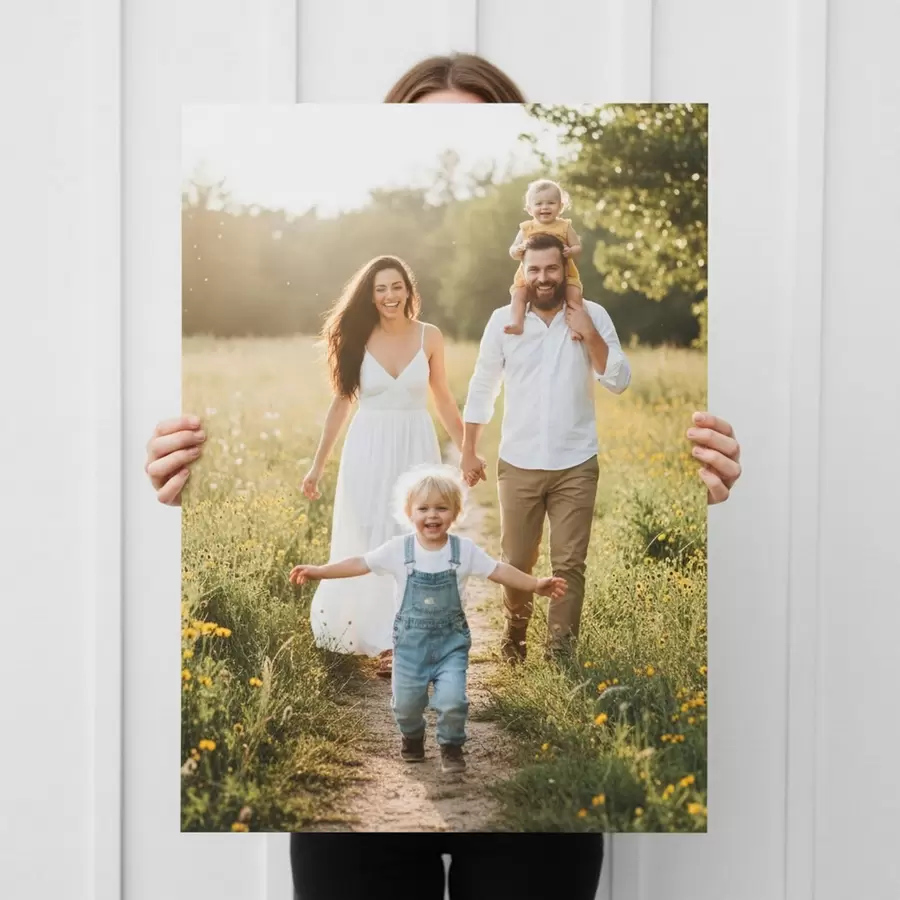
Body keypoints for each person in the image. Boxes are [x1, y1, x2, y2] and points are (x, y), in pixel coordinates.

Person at [146, 51, 741, 900]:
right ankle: (433, 644)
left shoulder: (565, 314)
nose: (390, 293)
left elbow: (569, 384)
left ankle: (541, 664)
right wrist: (154, 482)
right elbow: (444, 395)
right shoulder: (488, 321)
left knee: (531, 562)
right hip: (428, 459)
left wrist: (736, 469)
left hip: (535, 459)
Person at [289, 464, 567, 773]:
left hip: (451, 645)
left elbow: (499, 570)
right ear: (410, 513)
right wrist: (319, 571)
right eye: (423, 508)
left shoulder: (464, 550)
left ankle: (451, 746)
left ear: (455, 513)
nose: (432, 515)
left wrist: (535, 584)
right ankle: (412, 737)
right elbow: (360, 563)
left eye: (441, 508)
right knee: (406, 705)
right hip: (409, 648)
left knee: (452, 701)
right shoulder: (399, 550)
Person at [461, 231, 629, 661]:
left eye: (551, 268)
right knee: (516, 560)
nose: (543, 277)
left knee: (569, 564)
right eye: (534, 269)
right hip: (519, 462)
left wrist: (589, 333)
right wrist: (468, 449)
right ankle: (515, 632)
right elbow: (482, 387)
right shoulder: (504, 320)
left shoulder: (592, 314)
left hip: (576, 462)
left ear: (565, 268)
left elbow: (619, 380)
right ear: (523, 271)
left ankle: (559, 654)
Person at [301, 255, 463, 676]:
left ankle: (405, 641)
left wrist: (467, 450)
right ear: (370, 296)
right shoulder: (357, 336)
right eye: (380, 289)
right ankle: (369, 631)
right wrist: (317, 466)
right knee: (369, 531)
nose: (389, 296)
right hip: (367, 446)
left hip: (414, 442)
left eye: (396, 287)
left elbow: (443, 397)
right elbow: (340, 404)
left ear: (409, 290)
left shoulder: (430, 337)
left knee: (413, 536)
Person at [506, 178, 584, 338]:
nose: (545, 207)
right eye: (539, 204)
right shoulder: (527, 228)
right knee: (518, 296)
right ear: (529, 209)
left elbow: (578, 247)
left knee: (574, 297)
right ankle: (517, 322)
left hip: (565, 273)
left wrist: (571, 250)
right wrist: (518, 250)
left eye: (551, 203)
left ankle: (576, 328)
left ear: (561, 206)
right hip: (527, 274)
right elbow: (512, 250)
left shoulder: (565, 226)